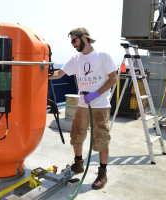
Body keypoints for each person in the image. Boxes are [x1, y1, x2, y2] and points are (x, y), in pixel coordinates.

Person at [49, 27, 117, 189]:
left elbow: (113, 78)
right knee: (76, 134)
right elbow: (59, 74)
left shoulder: (102, 55)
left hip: (100, 105)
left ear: (84, 38)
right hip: (82, 104)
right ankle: (79, 163)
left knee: (101, 138)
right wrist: (41, 72)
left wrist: (96, 94)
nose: (72, 44)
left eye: (74, 40)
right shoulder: (76, 58)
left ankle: (102, 173)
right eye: (71, 41)